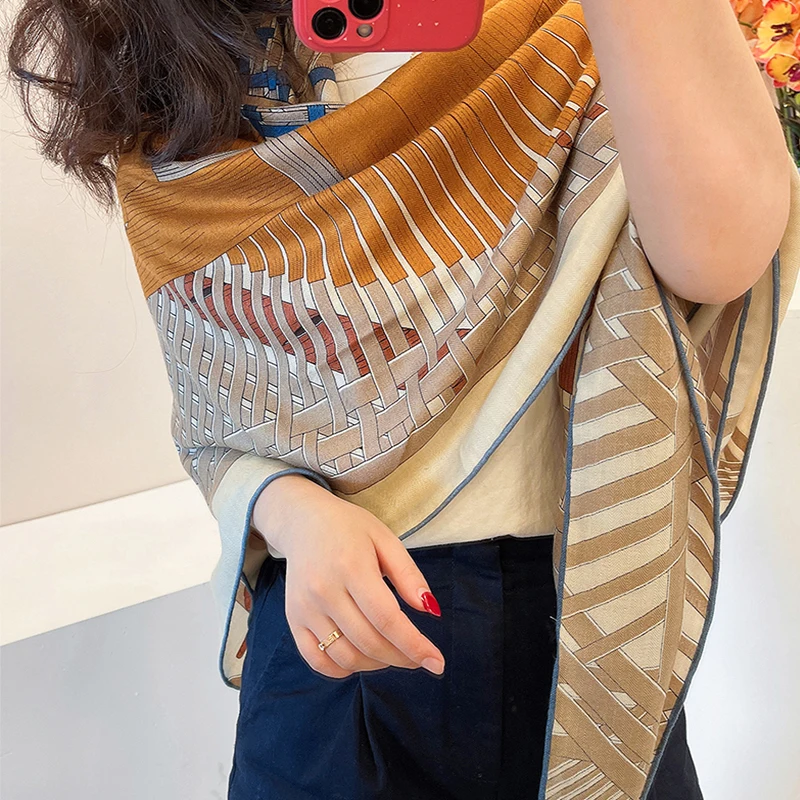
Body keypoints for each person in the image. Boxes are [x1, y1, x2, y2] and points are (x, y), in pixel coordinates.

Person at [6, 1, 799, 799]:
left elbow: (718, 251)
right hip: (340, 641)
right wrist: (290, 511)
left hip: (582, 611)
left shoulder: (572, 28)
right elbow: (215, 423)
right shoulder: (188, 63)